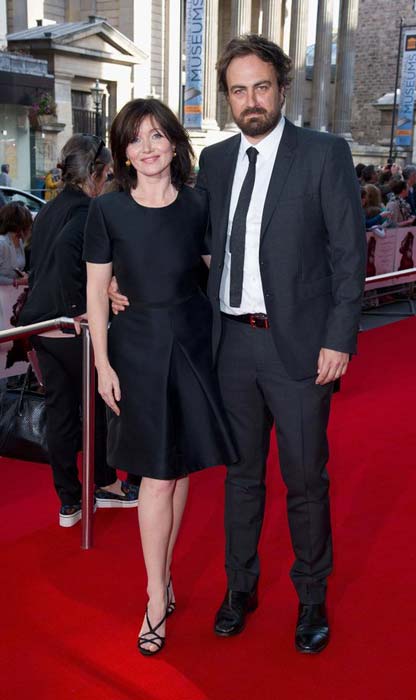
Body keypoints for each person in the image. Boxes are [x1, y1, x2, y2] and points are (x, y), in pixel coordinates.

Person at [111, 35, 366, 654]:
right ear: (226, 97)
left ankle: (310, 597)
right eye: (237, 89)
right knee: (242, 478)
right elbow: (177, 238)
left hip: (302, 348)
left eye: (261, 86)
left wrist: (340, 339)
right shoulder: (217, 162)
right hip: (228, 344)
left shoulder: (324, 154)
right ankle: (240, 588)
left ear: (281, 86)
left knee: (306, 479)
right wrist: (126, 282)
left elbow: (347, 256)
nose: (250, 100)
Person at [84, 98, 237, 657]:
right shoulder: (108, 211)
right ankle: (155, 594)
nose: (147, 148)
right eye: (134, 139)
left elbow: (217, 270)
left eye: (156, 136)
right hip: (138, 349)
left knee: (180, 467)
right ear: (123, 151)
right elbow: (97, 292)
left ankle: (164, 577)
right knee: (154, 474)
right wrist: (102, 363)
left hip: (193, 343)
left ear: (174, 141)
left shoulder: (199, 204)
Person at [19, 134, 139, 527]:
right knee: (103, 404)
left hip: (40, 327)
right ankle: (104, 484)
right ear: (95, 173)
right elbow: (87, 265)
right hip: (71, 326)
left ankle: (68, 500)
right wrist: (94, 298)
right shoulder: (92, 209)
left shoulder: (49, 209)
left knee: (62, 413)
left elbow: (44, 262)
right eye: (105, 173)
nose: (106, 180)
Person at [0, 202, 32, 286]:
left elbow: (16, 269)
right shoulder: (2, 243)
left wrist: (23, 275)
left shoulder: (20, 241)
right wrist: (18, 282)